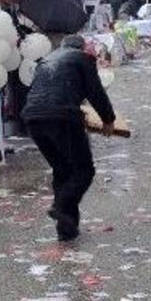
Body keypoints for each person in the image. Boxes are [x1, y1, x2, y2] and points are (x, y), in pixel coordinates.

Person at [22, 35, 116, 242]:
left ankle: (67, 228)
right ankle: (61, 206)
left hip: (33, 119)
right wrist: (108, 119)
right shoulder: (82, 58)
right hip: (62, 117)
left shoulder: (45, 60)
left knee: (62, 170)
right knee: (84, 170)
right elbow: (95, 91)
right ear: (81, 47)